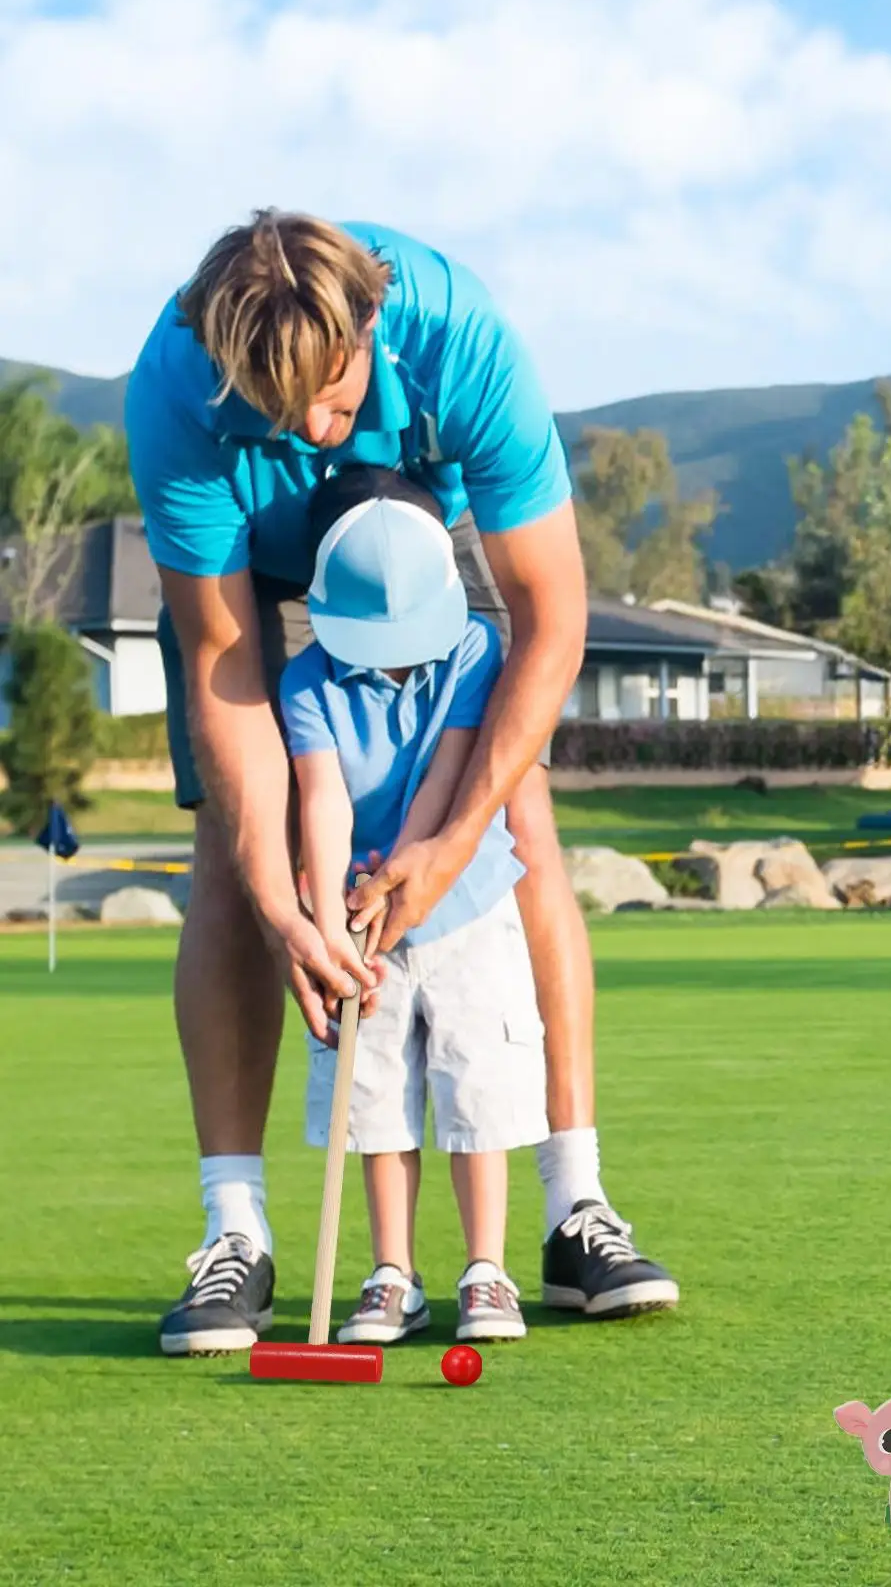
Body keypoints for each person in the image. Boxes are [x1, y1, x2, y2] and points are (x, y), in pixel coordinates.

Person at [126, 211, 678, 1357]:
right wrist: (283, 902)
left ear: (371, 324)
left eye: (332, 401)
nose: (312, 433)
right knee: (231, 855)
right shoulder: (178, 388)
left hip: (418, 541)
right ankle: (236, 1234)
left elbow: (551, 618)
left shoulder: (461, 341)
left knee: (518, 824)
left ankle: (574, 1204)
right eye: (281, 413)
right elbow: (229, 666)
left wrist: (452, 836)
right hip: (257, 566)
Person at [285, 470, 544, 1345]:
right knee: (373, 1097)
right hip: (364, 922)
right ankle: (392, 1273)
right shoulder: (307, 682)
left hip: (467, 906)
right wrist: (331, 923)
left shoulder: (473, 649)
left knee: (477, 1086)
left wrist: (403, 873)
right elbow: (322, 799)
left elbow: (448, 776)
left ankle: (486, 1270)